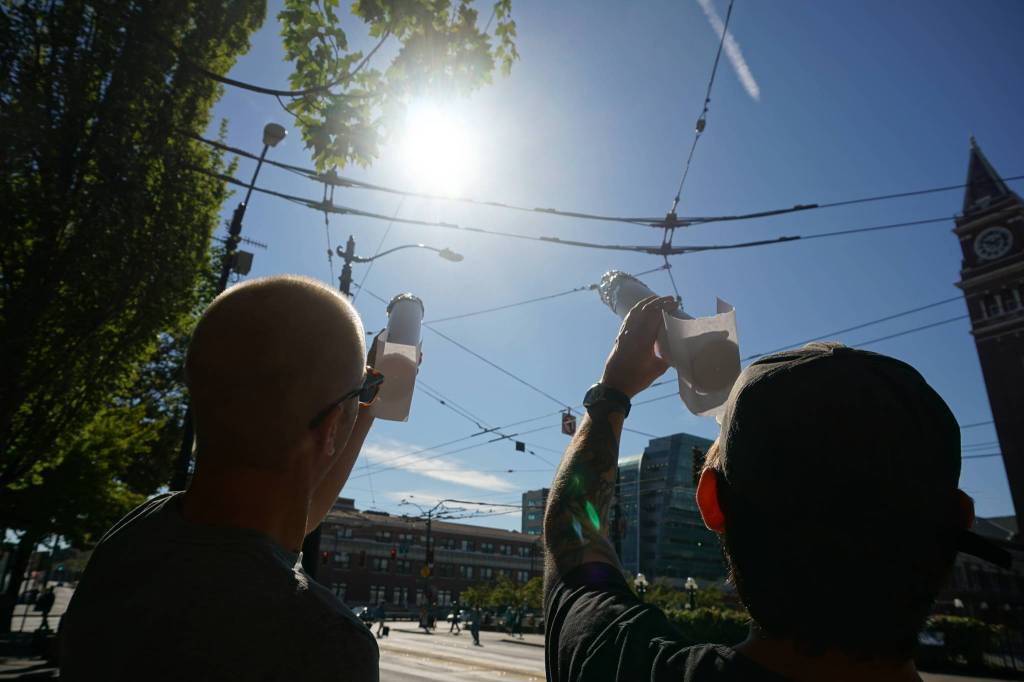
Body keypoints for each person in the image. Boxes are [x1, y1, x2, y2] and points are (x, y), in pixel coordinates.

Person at [543, 295, 1011, 682]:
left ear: (711, 503)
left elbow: (571, 533)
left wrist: (612, 392)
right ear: (957, 521)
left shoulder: (621, 665)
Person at [60, 276, 385, 681]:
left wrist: (362, 409)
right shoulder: (326, 643)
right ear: (333, 426)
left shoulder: (136, 534)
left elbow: (280, 527)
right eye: (361, 394)